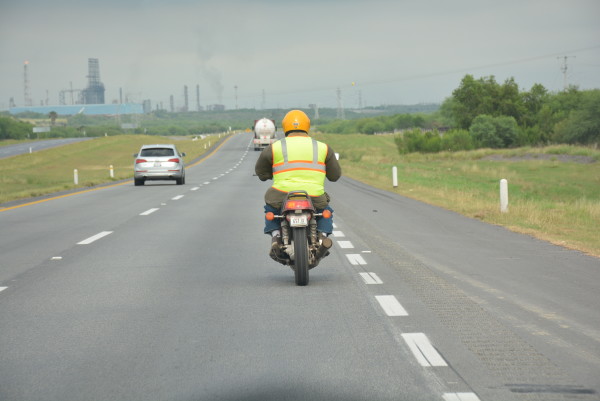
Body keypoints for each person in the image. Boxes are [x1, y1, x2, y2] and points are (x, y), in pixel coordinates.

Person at [255, 109, 342, 260]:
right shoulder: (323, 147)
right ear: (307, 126)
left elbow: (261, 173)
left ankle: (275, 237)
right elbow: (335, 176)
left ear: (285, 127)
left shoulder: (275, 147)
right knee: (325, 211)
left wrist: (271, 174)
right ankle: (322, 237)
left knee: (270, 208)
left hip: (281, 194)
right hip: (314, 195)